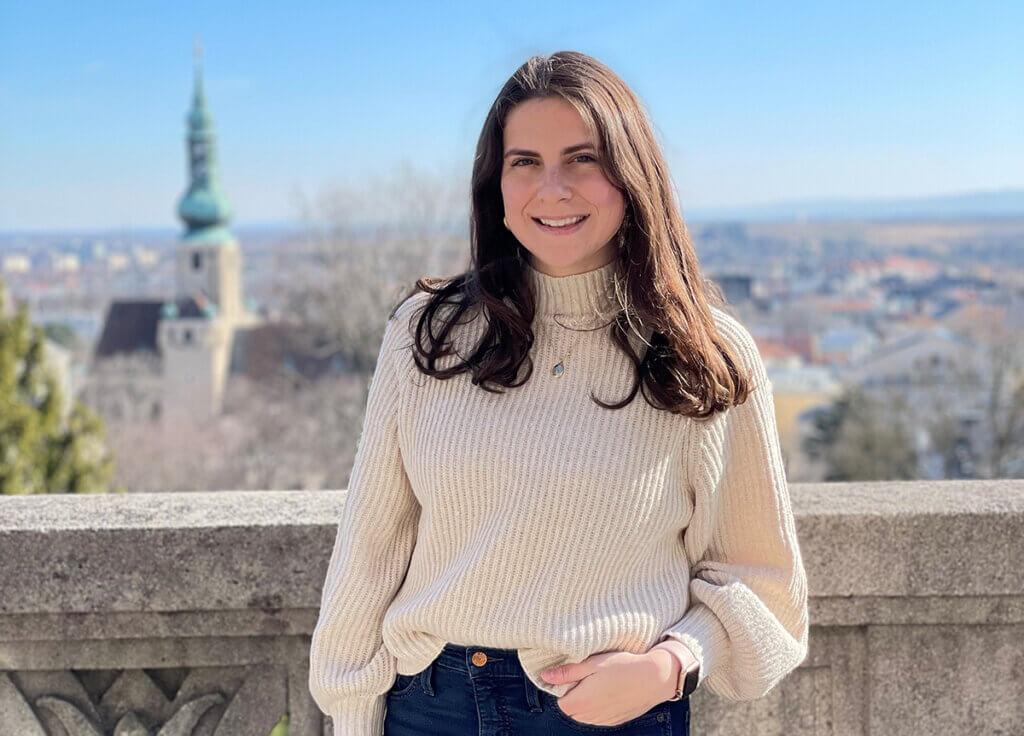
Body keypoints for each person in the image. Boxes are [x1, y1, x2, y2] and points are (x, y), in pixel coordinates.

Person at [309, 50, 809, 736]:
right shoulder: (426, 338)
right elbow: (371, 546)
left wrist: (670, 667)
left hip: (607, 713)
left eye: (583, 158)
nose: (554, 188)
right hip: (431, 707)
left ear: (632, 175)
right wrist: (351, 715)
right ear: (497, 183)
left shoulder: (703, 356)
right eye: (525, 162)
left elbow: (764, 584)